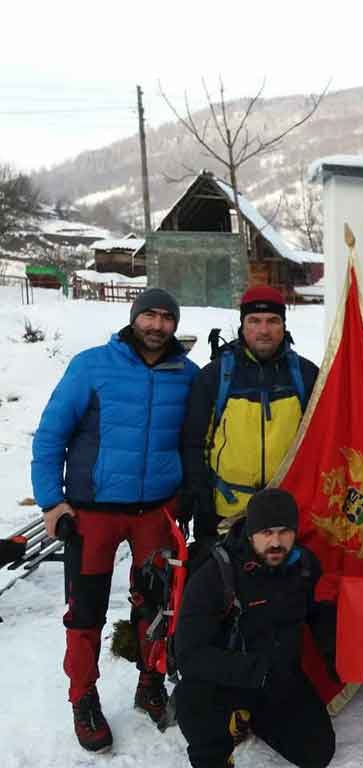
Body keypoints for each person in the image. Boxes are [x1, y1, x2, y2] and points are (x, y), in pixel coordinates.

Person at [30, 288, 199, 752]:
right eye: (150, 315)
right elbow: (50, 437)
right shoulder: (92, 366)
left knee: (156, 605)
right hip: (93, 512)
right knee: (86, 611)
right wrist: (51, 502)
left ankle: (151, 681)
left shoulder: (186, 375)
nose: (157, 325)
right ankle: (82, 696)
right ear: (134, 318)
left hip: (156, 511)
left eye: (167, 317)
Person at [173, 488, 337, 768]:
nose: (276, 542)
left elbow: (319, 615)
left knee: (317, 753)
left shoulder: (305, 566)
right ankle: (216, 747)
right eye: (266, 532)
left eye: (285, 532)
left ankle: (252, 716)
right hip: (225, 679)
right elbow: (188, 655)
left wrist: (335, 656)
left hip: (279, 677)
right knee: (193, 698)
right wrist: (258, 671)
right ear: (250, 534)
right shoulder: (216, 574)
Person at [181, 285, 318, 542]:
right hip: (227, 514)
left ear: (283, 326)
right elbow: (193, 442)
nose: (264, 330)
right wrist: (200, 496)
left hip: (288, 514)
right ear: (243, 325)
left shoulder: (307, 376)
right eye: (254, 321)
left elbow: (322, 442)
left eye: (272, 321)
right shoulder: (214, 376)